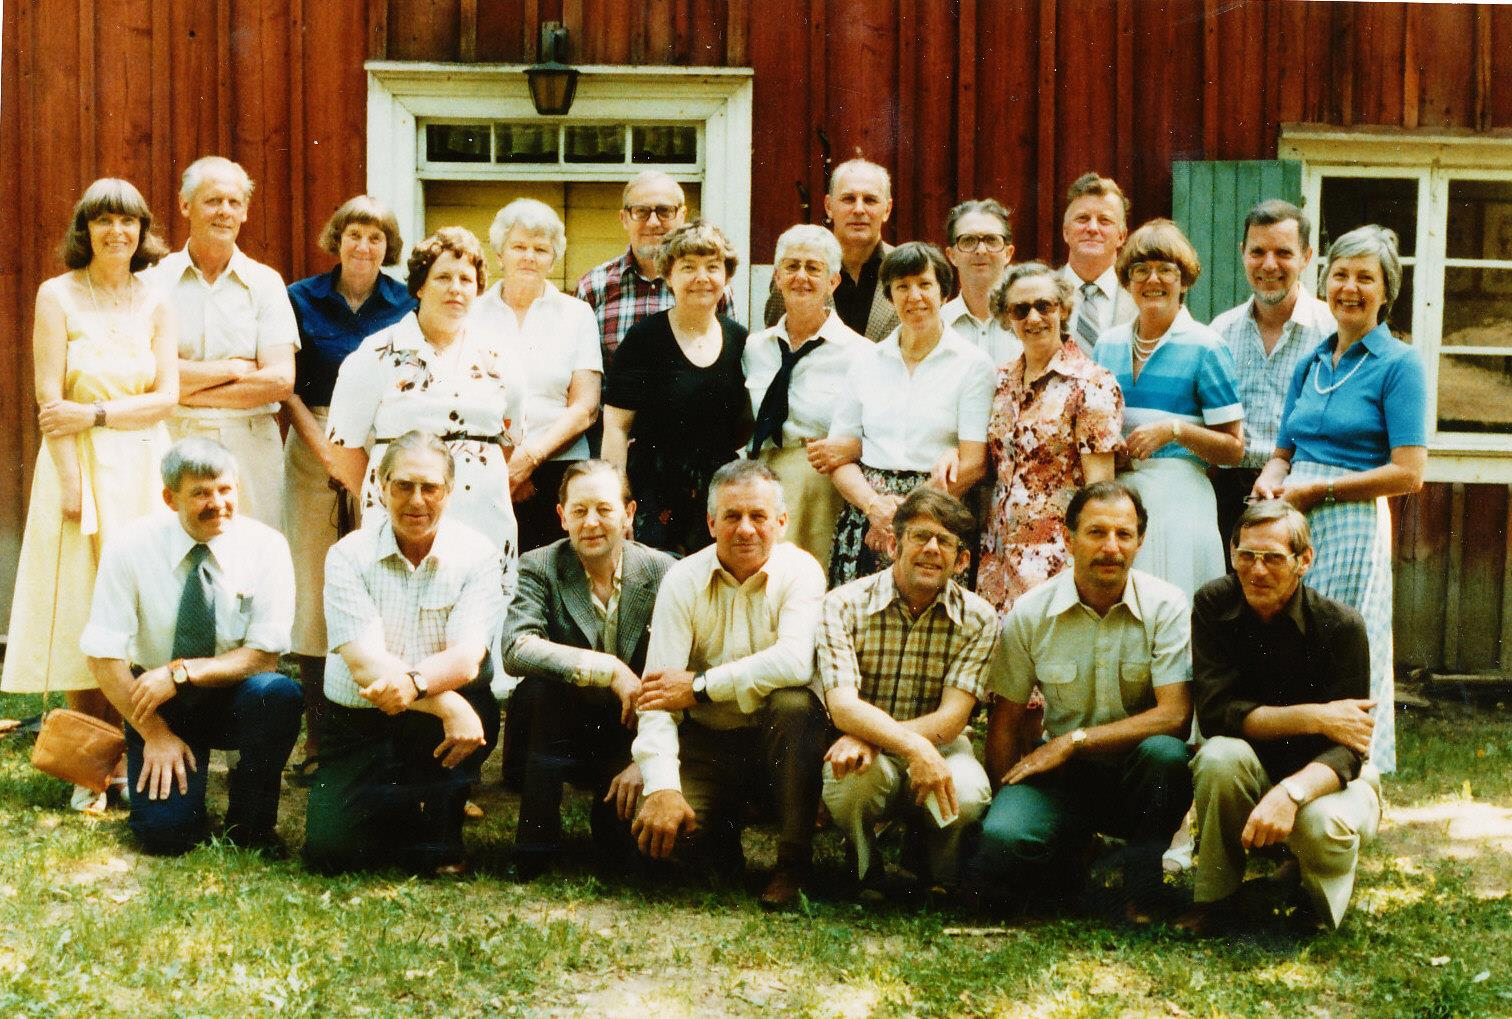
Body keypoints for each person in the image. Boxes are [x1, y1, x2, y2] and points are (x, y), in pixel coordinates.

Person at [2, 178, 179, 813]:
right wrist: (73, 487)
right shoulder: (58, 295)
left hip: (140, 461)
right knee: (85, 601)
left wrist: (99, 414)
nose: (116, 233)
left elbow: (165, 397)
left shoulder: (156, 299)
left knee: (139, 606)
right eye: (103, 221)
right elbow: (50, 401)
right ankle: (89, 763)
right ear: (86, 230)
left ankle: (137, 754)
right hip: (75, 467)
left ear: (142, 231)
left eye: (128, 222)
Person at [965, 482, 1193, 915]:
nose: (1111, 547)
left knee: (1167, 755)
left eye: (1124, 535)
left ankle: (1141, 881)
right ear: (1069, 537)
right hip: (1062, 780)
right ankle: (1070, 854)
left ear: (1140, 541)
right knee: (1001, 843)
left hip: (1136, 774)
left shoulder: (1167, 605)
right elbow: (1006, 721)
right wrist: (1003, 802)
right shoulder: (1032, 612)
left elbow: (1175, 716)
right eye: (1096, 532)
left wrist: (1076, 740)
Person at [1254, 225, 1428, 774]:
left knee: (1341, 646)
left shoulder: (1400, 364)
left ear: (1386, 291)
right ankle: (1282, 779)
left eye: (1365, 278)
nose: (1350, 288)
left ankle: (1343, 778)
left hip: (1350, 520)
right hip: (1293, 517)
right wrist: (1270, 477)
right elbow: (1284, 449)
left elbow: (1409, 473)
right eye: (1341, 275)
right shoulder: (1312, 361)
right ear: (1324, 281)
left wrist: (1318, 490)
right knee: (1286, 642)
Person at [81, 439, 300, 855]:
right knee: (166, 837)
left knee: (279, 694)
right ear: (170, 498)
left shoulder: (267, 547)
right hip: (159, 704)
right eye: (200, 493)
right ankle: (179, 797)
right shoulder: (129, 547)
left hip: (234, 692)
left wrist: (181, 672)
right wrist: (154, 733)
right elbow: (102, 655)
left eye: (225, 489)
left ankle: (251, 820)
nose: (217, 503)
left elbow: (264, 654)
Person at [629, 460, 828, 910]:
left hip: (776, 742)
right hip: (708, 741)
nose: (745, 530)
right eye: (732, 516)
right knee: (657, 841)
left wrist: (700, 686)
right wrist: (662, 786)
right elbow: (659, 694)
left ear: (781, 521)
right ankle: (720, 839)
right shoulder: (682, 580)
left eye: (758, 517)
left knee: (795, 705)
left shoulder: (802, 572)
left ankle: (792, 865)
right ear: (710, 521)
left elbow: (795, 662)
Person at [304, 432, 503, 874]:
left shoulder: (478, 556)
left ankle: (434, 814)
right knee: (330, 854)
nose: (416, 501)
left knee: (432, 861)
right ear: (380, 484)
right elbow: (362, 662)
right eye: (403, 485)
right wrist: (446, 701)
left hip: (431, 725)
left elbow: (468, 655)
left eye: (429, 487)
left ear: (449, 492)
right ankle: (399, 804)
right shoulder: (348, 555)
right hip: (361, 715)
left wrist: (416, 688)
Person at [1182, 501, 1381, 932]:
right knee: (1219, 758)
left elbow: (1348, 749)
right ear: (1232, 554)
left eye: (1273, 558)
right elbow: (1217, 715)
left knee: (1320, 825)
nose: (1257, 571)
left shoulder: (1341, 627)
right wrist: (1314, 716)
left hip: (1325, 779)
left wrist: (1291, 792)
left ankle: (1312, 894)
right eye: (1246, 556)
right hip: (1249, 767)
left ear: (1303, 561)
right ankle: (1217, 899)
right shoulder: (1214, 604)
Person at [282, 195, 415, 782]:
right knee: (316, 594)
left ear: (390, 247)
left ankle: (389, 741)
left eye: (377, 237)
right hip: (315, 447)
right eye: (354, 235)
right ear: (336, 239)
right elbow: (287, 389)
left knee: (385, 588)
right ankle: (320, 742)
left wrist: (363, 463)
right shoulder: (301, 298)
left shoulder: (404, 302)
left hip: (385, 450)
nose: (365, 247)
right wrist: (330, 457)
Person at [818, 488, 997, 895]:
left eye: (945, 542)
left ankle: (934, 863)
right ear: (894, 545)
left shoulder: (980, 620)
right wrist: (909, 747)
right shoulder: (843, 605)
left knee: (967, 791)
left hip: (938, 744)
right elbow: (843, 706)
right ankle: (864, 866)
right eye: (920, 537)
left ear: (962, 559)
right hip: (861, 743)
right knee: (849, 779)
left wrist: (886, 738)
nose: (932, 549)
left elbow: (953, 719)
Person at [500, 460, 675, 878]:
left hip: (627, 728)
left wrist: (645, 761)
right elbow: (515, 647)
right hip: (554, 727)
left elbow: (676, 671)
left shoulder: (664, 571)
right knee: (540, 691)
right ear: (561, 517)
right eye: (579, 511)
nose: (591, 523)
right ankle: (534, 843)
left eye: (604, 509)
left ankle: (609, 810)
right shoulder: (540, 565)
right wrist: (608, 668)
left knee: (623, 857)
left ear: (629, 514)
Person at [325, 226, 524, 589]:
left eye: (466, 279)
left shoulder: (500, 357)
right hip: (403, 517)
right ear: (419, 286)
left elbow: (510, 437)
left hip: (483, 516)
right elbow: (341, 446)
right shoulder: (376, 352)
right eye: (443, 277)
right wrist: (388, 496)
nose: (456, 288)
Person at [823, 242, 993, 587]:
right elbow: (838, 456)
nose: (914, 296)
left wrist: (906, 515)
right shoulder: (866, 361)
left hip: (938, 511)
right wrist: (873, 507)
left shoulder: (973, 365)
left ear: (944, 292)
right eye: (902, 287)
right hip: (869, 513)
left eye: (924, 284)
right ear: (890, 296)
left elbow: (974, 463)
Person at [1092, 219, 1244, 601]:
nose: (1152, 280)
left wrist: (1174, 430)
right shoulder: (1106, 345)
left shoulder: (1206, 346)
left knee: (1176, 606)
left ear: (1185, 280)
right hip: (1121, 502)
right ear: (1127, 280)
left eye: (1166, 270)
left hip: (1181, 501)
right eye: (1141, 269)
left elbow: (1233, 448)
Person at [148, 156, 299, 525]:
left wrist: (185, 386)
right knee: (174, 551)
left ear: (245, 212)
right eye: (212, 201)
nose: (224, 212)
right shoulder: (154, 282)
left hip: (249, 446)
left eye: (234, 203)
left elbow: (280, 381)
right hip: (174, 437)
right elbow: (149, 374)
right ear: (185, 205)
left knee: (252, 557)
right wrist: (232, 369)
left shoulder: (265, 283)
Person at [976, 262, 1123, 616]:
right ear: (1006, 317)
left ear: (1064, 309)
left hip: (1057, 559)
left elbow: (1100, 490)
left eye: (1044, 306)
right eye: (1020, 309)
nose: (1033, 318)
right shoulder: (999, 383)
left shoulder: (1091, 384)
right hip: (997, 558)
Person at [602, 221, 749, 556]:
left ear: (726, 277)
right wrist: (616, 498)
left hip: (719, 491)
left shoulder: (741, 340)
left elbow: (744, 425)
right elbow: (616, 428)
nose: (702, 278)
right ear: (668, 276)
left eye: (713, 267)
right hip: (653, 490)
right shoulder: (644, 339)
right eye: (688, 268)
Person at [473, 198, 602, 553]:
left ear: (553, 257)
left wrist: (528, 458)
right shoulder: (472, 311)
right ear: (500, 254)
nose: (529, 256)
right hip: (484, 465)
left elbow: (586, 407)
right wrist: (506, 466)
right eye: (519, 247)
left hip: (558, 470)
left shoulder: (577, 314)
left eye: (540, 249)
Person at [1208, 201, 1335, 548]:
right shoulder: (1221, 331)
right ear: (1242, 253)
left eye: (1283, 253)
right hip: (1229, 493)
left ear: (1307, 257)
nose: (1269, 265)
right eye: (1258, 252)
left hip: (1300, 489)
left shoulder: (1332, 332)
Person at [743, 224, 868, 572]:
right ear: (777, 277)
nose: (801, 276)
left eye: (813, 268)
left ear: (833, 282)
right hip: (762, 474)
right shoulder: (756, 347)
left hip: (819, 481)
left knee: (809, 579)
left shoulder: (860, 354)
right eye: (792, 266)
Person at [576, 170, 727, 371]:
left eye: (664, 211)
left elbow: (729, 363)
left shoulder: (710, 287)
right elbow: (577, 372)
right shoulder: (593, 288)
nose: (654, 222)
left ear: (682, 216)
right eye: (641, 211)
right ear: (624, 219)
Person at [764, 158, 900, 341]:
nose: (859, 209)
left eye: (870, 200)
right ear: (829, 206)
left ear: (887, 209)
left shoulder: (905, 271)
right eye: (848, 199)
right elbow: (776, 341)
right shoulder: (796, 274)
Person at [1059, 173, 1137, 354]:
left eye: (1105, 220)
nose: (1093, 228)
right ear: (1066, 232)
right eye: (1082, 218)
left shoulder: (1139, 298)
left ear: (1121, 236)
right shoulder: (1040, 292)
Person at [941, 198, 1021, 366]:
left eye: (991, 240)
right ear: (951, 255)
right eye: (968, 240)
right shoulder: (938, 325)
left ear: (1008, 253)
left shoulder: (1029, 321)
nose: (981, 250)